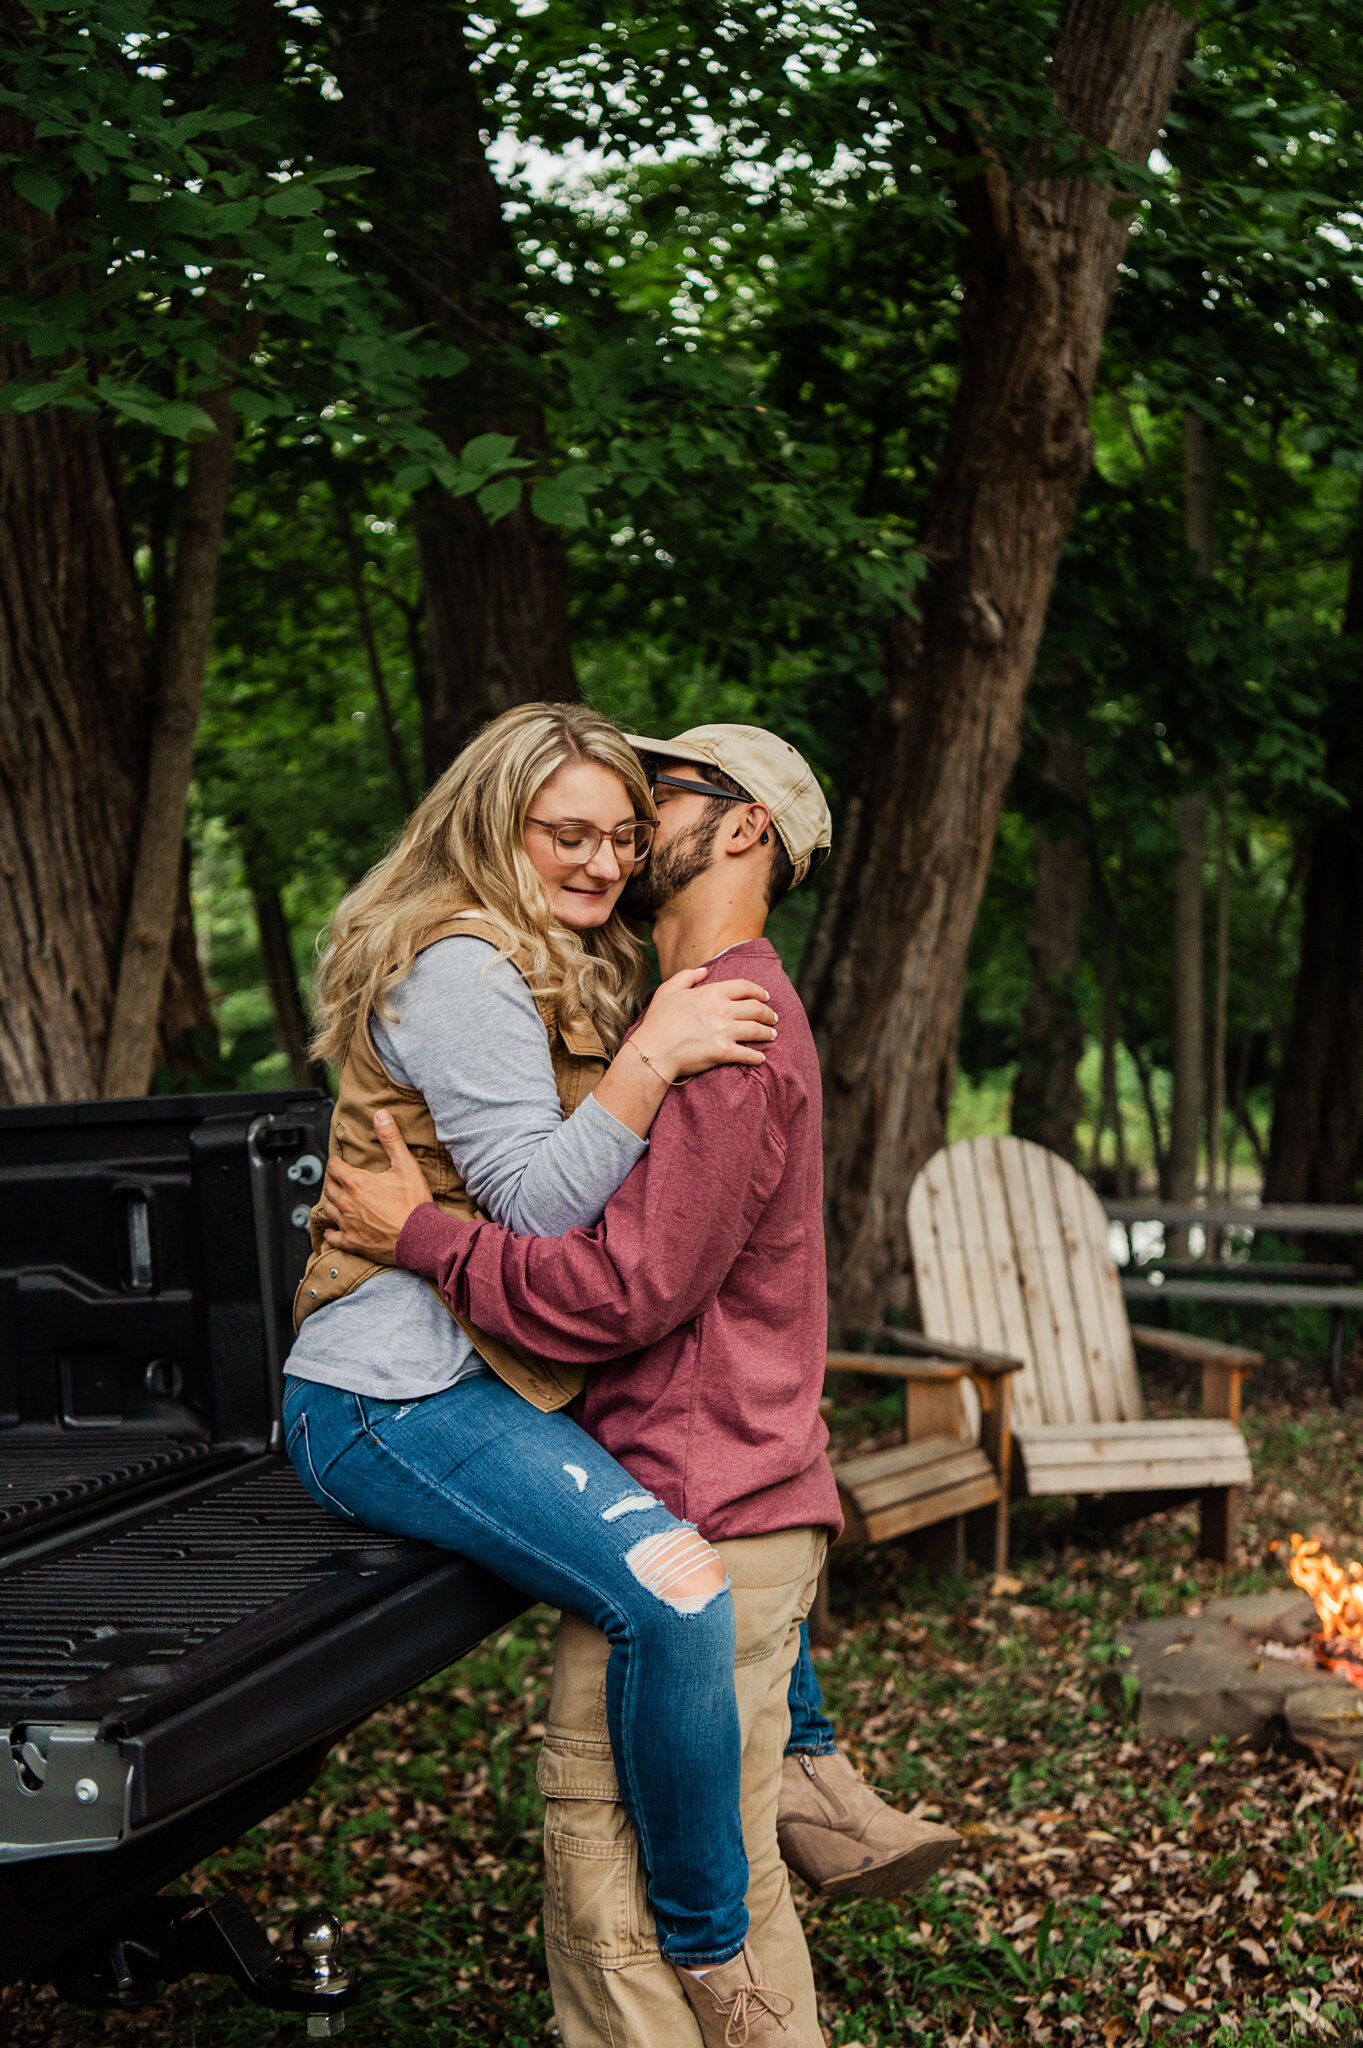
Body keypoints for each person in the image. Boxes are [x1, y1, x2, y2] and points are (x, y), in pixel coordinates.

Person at [318, 722, 959, 2048]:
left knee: (623, 1940)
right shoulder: (658, 997)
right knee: (726, 1832)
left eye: (648, 806)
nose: (618, 842)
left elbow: (616, 1291)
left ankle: (758, 1877)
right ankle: (808, 1782)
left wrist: (416, 1233)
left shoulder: (720, 1024)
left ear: (739, 831)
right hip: (709, 1467)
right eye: (582, 826)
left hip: (705, 1482)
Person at [285, 704, 782, 1996]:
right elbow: (541, 1207)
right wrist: (654, 1062)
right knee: (678, 1593)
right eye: (567, 834)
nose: (603, 864)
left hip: (490, 1368)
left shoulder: (568, 955)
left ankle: (821, 1776)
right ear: (491, 824)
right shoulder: (461, 967)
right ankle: (713, 1955)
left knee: (704, 1531)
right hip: (389, 1393)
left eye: (622, 837)